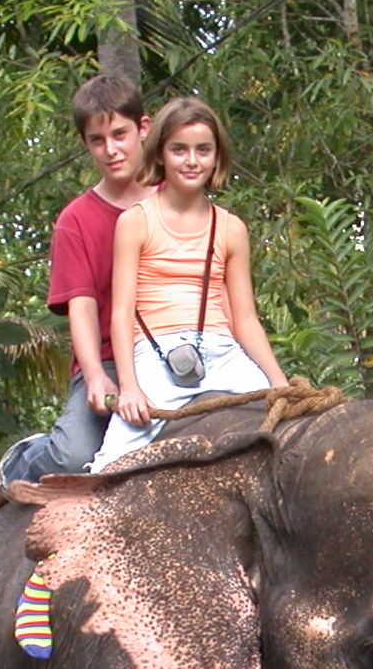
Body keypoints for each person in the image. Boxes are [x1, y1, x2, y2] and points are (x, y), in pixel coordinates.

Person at [0, 74, 151, 515]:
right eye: (97, 140)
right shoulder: (77, 220)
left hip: (169, 351)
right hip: (108, 359)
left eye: (120, 134)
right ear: (85, 144)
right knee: (74, 456)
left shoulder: (174, 200)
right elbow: (81, 308)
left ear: (143, 128)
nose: (111, 150)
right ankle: (18, 466)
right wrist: (95, 376)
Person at [84, 94, 289, 472]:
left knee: (289, 435)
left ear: (216, 156)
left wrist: (278, 382)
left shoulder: (231, 228)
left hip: (223, 353)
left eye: (203, 150)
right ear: (161, 154)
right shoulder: (135, 221)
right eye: (179, 149)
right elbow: (122, 313)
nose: (192, 161)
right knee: (108, 467)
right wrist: (129, 387)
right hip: (155, 356)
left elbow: (245, 319)